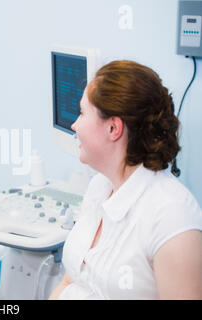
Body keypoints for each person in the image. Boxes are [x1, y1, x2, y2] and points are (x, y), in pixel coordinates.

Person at [49, 60, 202, 300]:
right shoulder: (100, 186)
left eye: (82, 113)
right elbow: (72, 280)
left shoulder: (172, 215)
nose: (74, 125)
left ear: (113, 128)